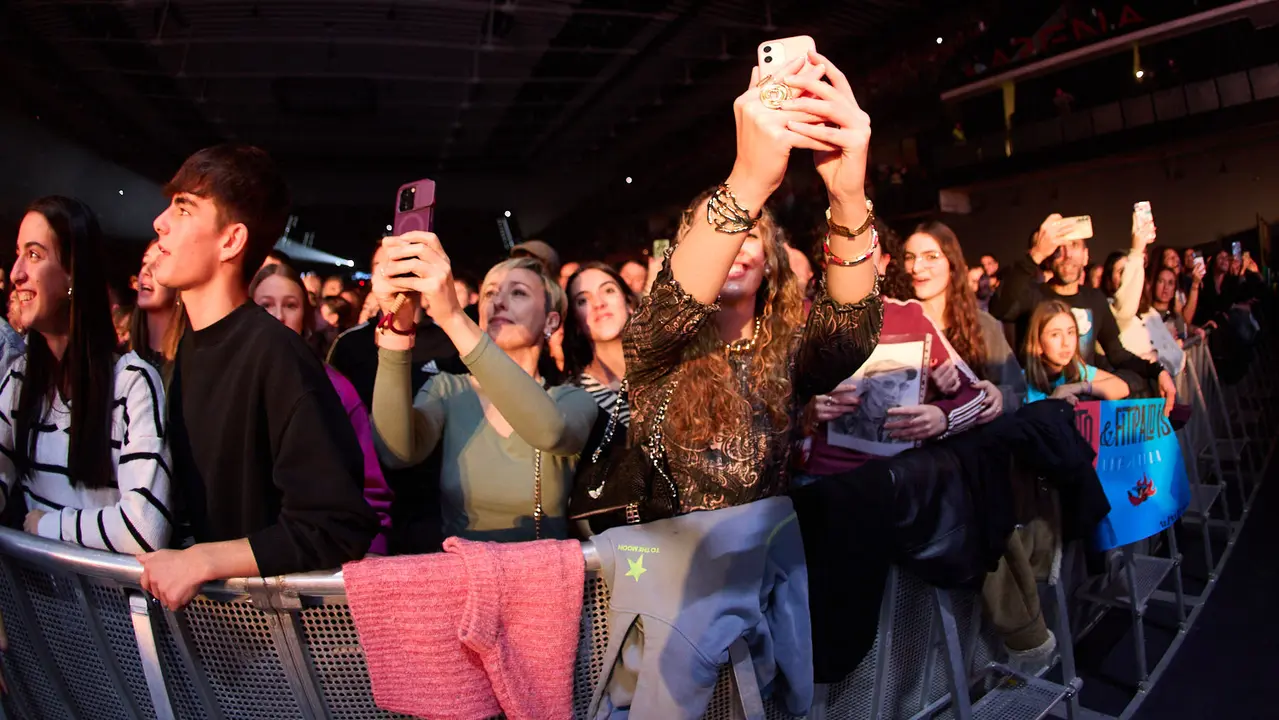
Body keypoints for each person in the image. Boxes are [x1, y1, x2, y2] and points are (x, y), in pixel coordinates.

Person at [624, 52, 882, 511]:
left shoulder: (787, 349)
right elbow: (674, 307)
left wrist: (847, 195)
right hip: (672, 569)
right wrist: (749, 181)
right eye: (732, 234)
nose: (739, 245)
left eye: (752, 236)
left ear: (771, 262)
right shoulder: (654, 350)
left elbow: (849, 336)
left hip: (767, 561)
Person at [140, 143, 378, 611]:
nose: (160, 221)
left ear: (231, 241)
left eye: (184, 207)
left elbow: (335, 525)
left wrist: (204, 560)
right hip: (206, 636)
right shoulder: (187, 345)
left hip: (269, 653)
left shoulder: (277, 357)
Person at [371, 248, 597, 542]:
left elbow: (550, 431)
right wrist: (397, 328)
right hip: (462, 579)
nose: (499, 302)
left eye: (518, 293)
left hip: (545, 579)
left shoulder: (570, 398)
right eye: (490, 293)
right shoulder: (449, 389)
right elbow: (395, 451)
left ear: (551, 322)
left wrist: (452, 317)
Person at [0, 196, 171, 554]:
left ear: (72, 274)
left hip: (109, 608)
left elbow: (145, 528)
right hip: (33, 609)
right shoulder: (18, 382)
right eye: (18, 254)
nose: (16, 273)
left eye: (33, 255)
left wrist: (46, 524)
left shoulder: (132, 383)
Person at [249, 263, 394, 555]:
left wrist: (373, 555)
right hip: (240, 560)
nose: (278, 316)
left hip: (317, 563)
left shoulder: (337, 389)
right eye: (266, 305)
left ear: (306, 316)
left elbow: (371, 492)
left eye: (290, 305)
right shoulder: (232, 384)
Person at [990, 212, 1175, 414]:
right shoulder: (1033, 296)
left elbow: (1117, 353)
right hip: (1039, 411)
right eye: (1059, 248)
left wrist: (1157, 372)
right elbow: (998, 309)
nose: (1068, 255)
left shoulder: (1095, 299)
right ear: (1049, 256)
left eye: (1075, 245)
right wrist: (1035, 254)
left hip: (1087, 414)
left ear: (1086, 256)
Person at [903, 221, 1022, 417]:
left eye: (931, 257)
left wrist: (999, 397)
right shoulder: (892, 326)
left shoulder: (983, 326)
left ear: (952, 264)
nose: (916, 267)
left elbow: (1017, 390)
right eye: (910, 258)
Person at [562, 263, 637, 427]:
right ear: (576, 322)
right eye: (583, 300)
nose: (599, 304)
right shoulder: (574, 398)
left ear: (629, 303)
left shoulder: (672, 365)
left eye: (608, 290)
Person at [1023, 300, 1129, 405]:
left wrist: (1076, 388)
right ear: (1037, 343)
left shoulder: (1078, 370)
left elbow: (1122, 387)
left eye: (1070, 332)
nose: (1066, 343)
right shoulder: (1020, 381)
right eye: (1055, 335)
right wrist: (1054, 402)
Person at [129, 239, 185, 385]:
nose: (145, 272)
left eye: (159, 264)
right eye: (145, 263)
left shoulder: (188, 362)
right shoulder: (123, 358)